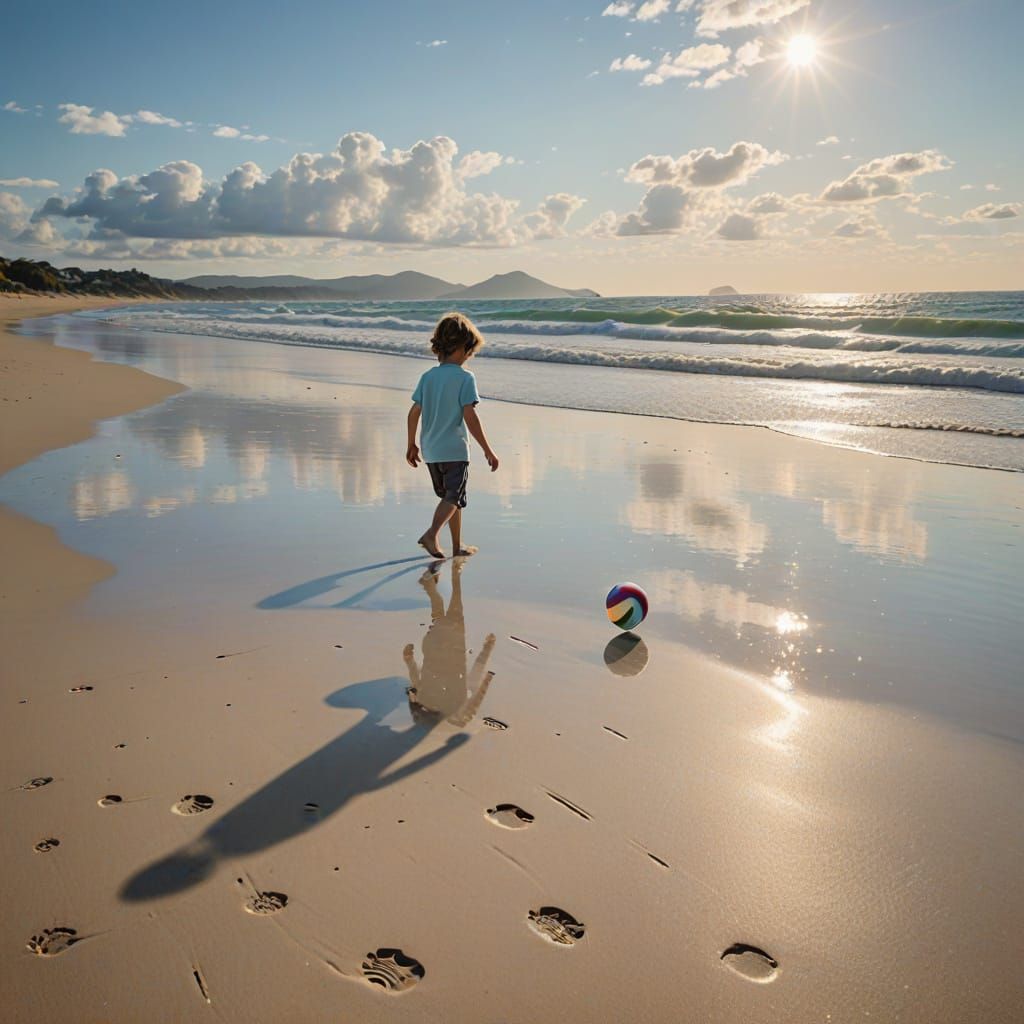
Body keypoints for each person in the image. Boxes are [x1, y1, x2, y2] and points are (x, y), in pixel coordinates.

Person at [406, 312, 499, 558]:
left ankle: (456, 546)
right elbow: (470, 416)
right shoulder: (465, 378)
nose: (469, 357)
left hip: (431, 451)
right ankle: (431, 534)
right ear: (460, 348)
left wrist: (411, 444)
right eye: (469, 352)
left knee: (453, 500)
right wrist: (487, 449)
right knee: (453, 498)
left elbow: (414, 412)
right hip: (455, 450)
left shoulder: (427, 377)